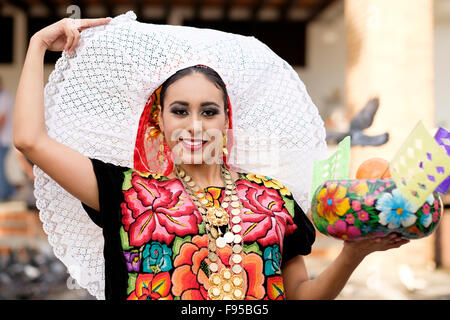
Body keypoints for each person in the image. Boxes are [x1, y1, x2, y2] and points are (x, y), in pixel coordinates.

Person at [13, 17, 410, 300]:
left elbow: (301, 297)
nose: (195, 125)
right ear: (160, 121)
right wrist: (36, 46)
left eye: (208, 112)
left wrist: (353, 253)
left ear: (225, 120)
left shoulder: (273, 200)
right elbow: (30, 140)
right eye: (180, 111)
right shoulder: (129, 193)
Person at [0, 75, 16, 201]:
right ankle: (9, 192)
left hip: (3, 140)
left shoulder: (4, 98)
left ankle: (3, 194)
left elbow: (2, 120)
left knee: (1, 168)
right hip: (4, 139)